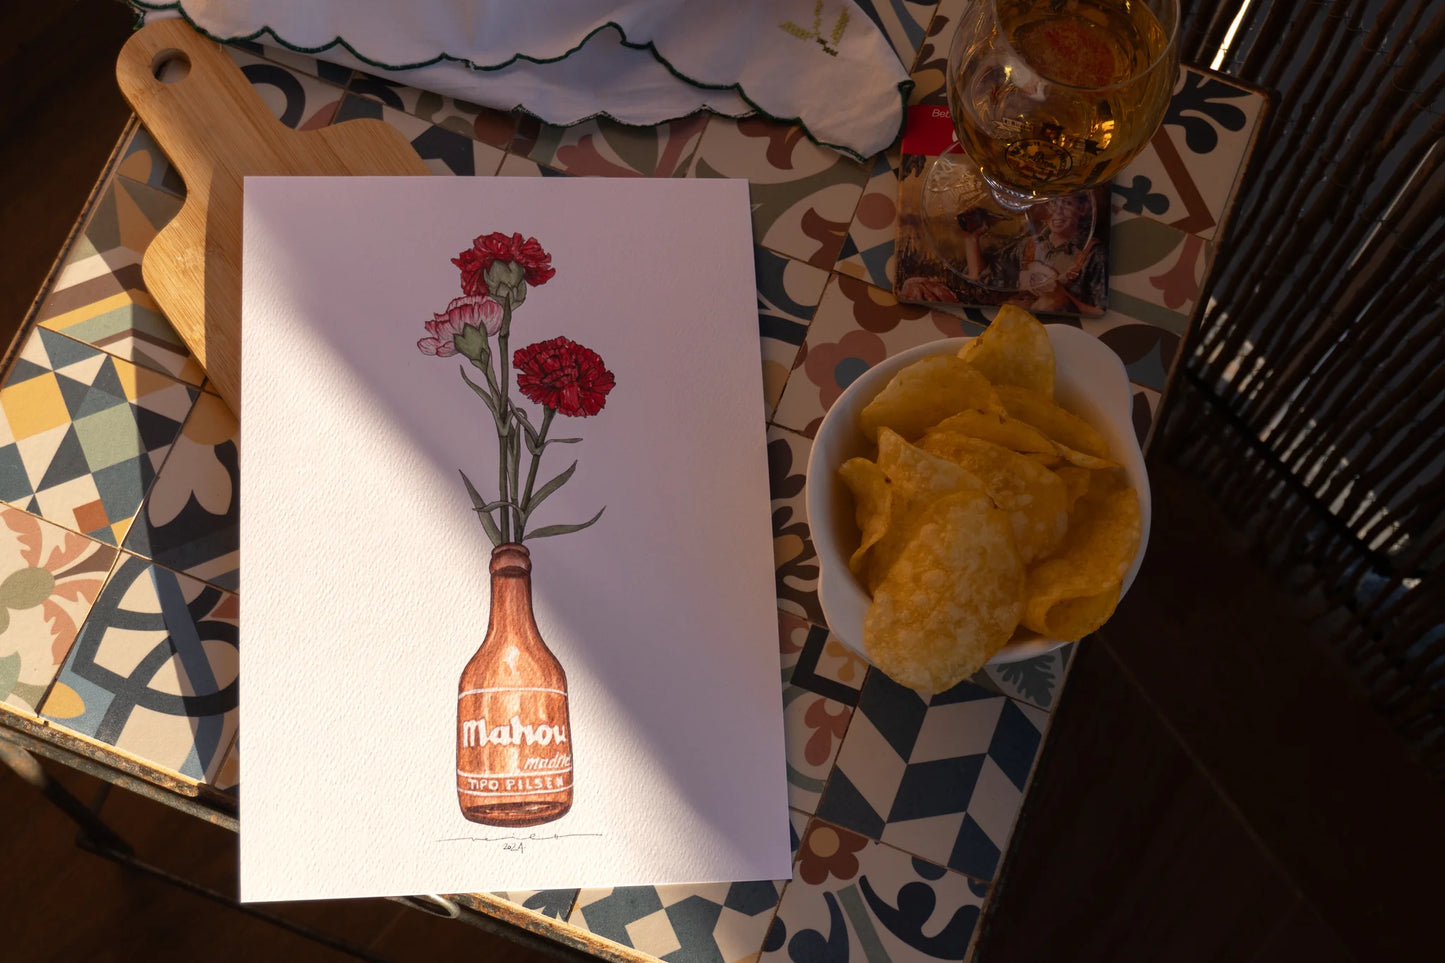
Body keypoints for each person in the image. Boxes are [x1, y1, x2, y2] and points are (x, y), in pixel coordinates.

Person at [958, 193, 1107, 315]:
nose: (1058, 212)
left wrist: (1063, 298)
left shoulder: (1093, 254)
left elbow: (1102, 315)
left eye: (1068, 204)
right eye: (1052, 203)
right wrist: (971, 239)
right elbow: (980, 280)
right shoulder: (1028, 246)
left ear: (1083, 208)